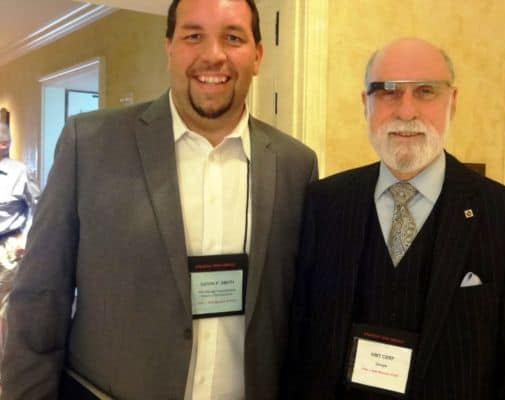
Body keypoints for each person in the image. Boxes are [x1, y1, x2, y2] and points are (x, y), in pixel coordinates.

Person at [1, 0, 317, 399]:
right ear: (169, 47)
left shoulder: (295, 166)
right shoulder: (91, 144)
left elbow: (300, 314)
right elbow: (39, 300)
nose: (213, 55)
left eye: (233, 37)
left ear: (257, 55)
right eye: (193, 36)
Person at [285, 37, 505, 400]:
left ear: (452, 102)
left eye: (425, 91)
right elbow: (301, 352)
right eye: (388, 92)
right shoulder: (324, 204)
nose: (406, 111)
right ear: (365, 104)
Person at [0, 122, 40, 364]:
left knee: (5, 310)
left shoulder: (21, 172)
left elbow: (40, 208)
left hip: (7, 248)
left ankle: (4, 367)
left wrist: (25, 238)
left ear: (4, 144)